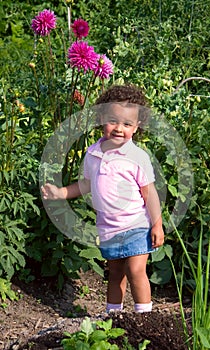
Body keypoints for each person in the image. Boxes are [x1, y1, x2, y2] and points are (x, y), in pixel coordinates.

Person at [41, 84, 164, 313]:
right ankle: (113, 316)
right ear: (101, 120)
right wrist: (60, 193)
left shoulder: (137, 157)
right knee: (115, 272)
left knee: (135, 269)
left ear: (136, 127)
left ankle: (145, 318)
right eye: (113, 121)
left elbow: (150, 193)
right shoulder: (93, 154)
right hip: (108, 229)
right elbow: (86, 184)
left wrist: (157, 224)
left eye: (127, 124)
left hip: (137, 225)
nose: (119, 128)